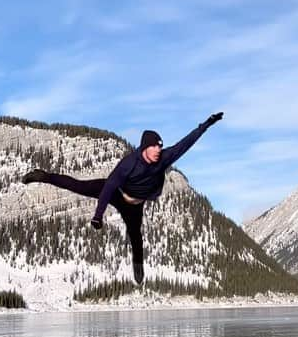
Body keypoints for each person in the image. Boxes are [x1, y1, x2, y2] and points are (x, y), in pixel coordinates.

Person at [22, 112, 223, 285]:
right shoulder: (128, 164)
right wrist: (97, 216)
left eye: (160, 147)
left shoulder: (164, 158)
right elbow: (109, 187)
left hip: (135, 205)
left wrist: (206, 125)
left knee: (136, 236)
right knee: (79, 185)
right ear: (145, 147)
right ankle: (44, 176)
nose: (158, 151)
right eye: (155, 147)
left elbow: (186, 143)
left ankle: (138, 267)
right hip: (117, 193)